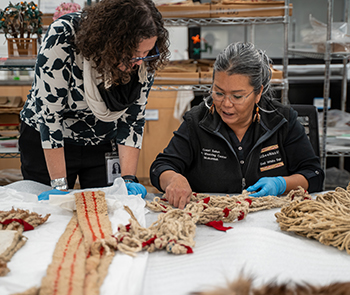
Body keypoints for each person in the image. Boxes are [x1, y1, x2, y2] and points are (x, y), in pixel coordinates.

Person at [19, 0, 170, 199]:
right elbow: (50, 117)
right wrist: (59, 186)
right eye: (132, 55)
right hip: (51, 143)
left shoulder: (142, 61)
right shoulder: (64, 37)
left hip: (102, 140)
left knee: (109, 210)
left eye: (146, 53)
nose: (139, 61)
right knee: (52, 214)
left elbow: (132, 119)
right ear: (112, 42)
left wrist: (128, 179)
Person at [150, 42, 324, 209]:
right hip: (212, 219)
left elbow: (314, 174)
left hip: (270, 221)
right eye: (218, 92)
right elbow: (161, 167)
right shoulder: (197, 121)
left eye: (237, 96)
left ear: (258, 93)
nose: (226, 103)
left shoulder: (282, 121)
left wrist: (282, 184)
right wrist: (173, 179)